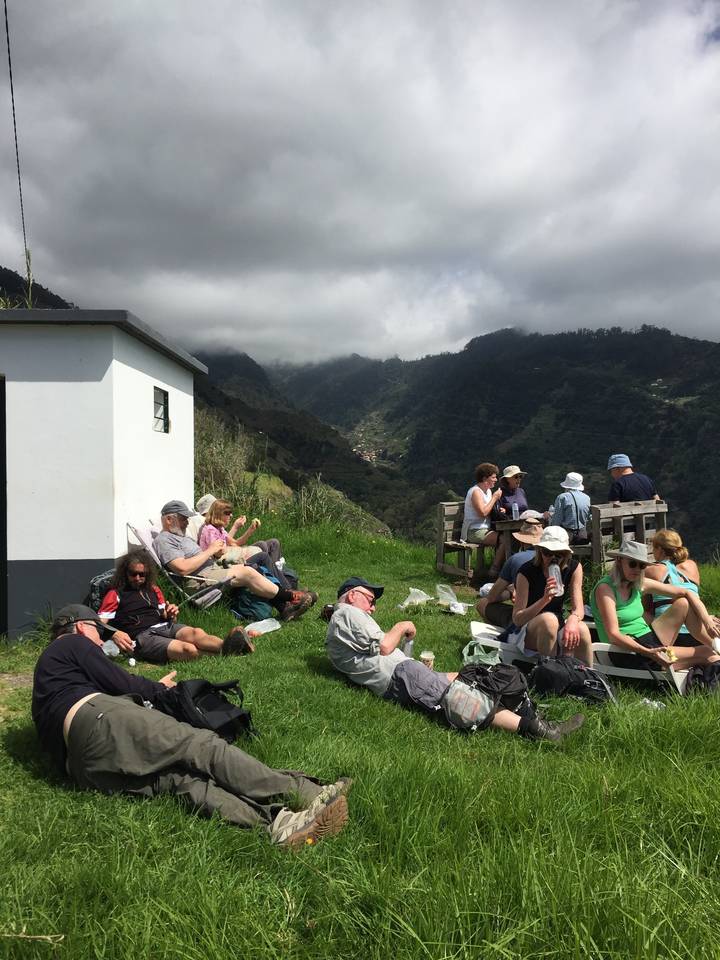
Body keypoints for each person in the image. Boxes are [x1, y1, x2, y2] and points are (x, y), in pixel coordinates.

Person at [31, 604, 351, 848]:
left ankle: (279, 825)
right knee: (198, 745)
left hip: (81, 767)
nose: (100, 641)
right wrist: (160, 689)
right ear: (80, 626)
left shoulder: (48, 680)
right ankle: (306, 793)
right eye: (98, 633)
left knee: (178, 781)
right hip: (97, 717)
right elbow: (121, 682)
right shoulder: (70, 644)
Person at [325, 577, 584, 742]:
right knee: (465, 700)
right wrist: (402, 624)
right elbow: (384, 647)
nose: (372, 608)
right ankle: (540, 731)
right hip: (400, 677)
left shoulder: (343, 621)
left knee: (469, 677)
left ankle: (533, 715)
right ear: (352, 595)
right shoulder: (347, 613)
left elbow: (376, 652)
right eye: (370, 599)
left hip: (404, 673)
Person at [154, 500, 316, 621]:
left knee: (254, 565)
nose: (187, 522)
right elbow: (182, 568)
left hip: (212, 571)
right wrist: (210, 550)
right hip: (200, 581)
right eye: (183, 519)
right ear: (169, 520)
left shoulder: (181, 537)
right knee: (247, 572)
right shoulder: (164, 540)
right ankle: (292, 597)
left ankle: (285, 608)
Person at [98, 551, 254, 662]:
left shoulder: (153, 589)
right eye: (133, 574)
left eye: (142, 574)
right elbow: (98, 623)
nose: (138, 578)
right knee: (188, 649)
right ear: (125, 573)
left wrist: (170, 613)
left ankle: (227, 646)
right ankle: (230, 652)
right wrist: (114, 633)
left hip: (165, 626)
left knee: (197, 633)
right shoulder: (115, 594)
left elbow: (164, 615)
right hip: (142, 637)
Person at [590, 540, 720, 668]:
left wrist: (707, 620)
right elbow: (613, 635)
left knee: (683, 603)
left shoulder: (639, 584)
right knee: (706, 653)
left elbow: (686, 592)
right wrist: (649, 652)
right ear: (619, 561)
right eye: (632, 564)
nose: (637, 569)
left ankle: (715, 644)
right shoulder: (605, 589)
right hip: (627, 651)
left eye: (642, 566)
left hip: (649, 640)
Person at [509, 526, 593, 665]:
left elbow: (578, 608)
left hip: (557, 623)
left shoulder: (574, 568)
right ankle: (551, 672)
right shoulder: (526, 572)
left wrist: (573, 620)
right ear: (539, 551)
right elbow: (518, 619)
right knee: (549, 620)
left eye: (559, 554)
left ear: (566, 554)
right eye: (547, 553)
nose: (553, 558)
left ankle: (586, 675)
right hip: (527, 628)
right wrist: (544, 600)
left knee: (581, 628)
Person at [643, 530, 711, 649]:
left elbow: (645, 607)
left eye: (653, 548)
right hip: (699, 634)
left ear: (660, 549)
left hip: (671, 635)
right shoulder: (691, 566)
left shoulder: (651, 571)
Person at [476, 520, 543, 629]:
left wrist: (509, 592)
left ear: (521, 541)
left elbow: (492, 597)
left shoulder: (515, 559)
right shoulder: (555, 561)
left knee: (482, 604)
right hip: (547, 616)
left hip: (523, 619)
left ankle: (506, 634)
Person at [190, 493, 282, 562]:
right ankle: (273, 572)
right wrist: (240, 550)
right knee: (262, 546)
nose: (231, 515)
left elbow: (233, 543)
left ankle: (275, 570)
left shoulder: (219, 528)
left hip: (228, 554)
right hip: (222, 560)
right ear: (216, 512)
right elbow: (220, 551)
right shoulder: (209, 528)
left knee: (272, 543)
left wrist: (250, 530)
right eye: (226, 512)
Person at [461, 462, 505, 581]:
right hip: (474, 531)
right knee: (505, 540)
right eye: (493, 477)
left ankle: (500, 570)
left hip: (485, 529)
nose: (496, 480)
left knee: (509, 537)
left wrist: (498, 510)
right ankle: (494, 571)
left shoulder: (488, 491)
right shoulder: (476, 492)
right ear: (485, 478)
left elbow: (488, 509)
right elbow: (483, 512)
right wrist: (495, 498)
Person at [199, 499, 263, 562]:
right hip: (213, 560)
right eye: (228, 513)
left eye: (231, 513)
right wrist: (240, 552)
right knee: (257, 552)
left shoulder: (220, 529)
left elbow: (235, 543)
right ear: (219, 514)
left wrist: (251, 529)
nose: (231, 515)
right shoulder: (210, 530)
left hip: (222, 556)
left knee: (260, 547)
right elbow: (216, 553)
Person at [547, 472, 591, 544]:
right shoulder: (587, 498)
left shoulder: (562, 497)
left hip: (566, 536)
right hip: (582, 535)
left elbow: (557, 521)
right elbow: (587, 518)